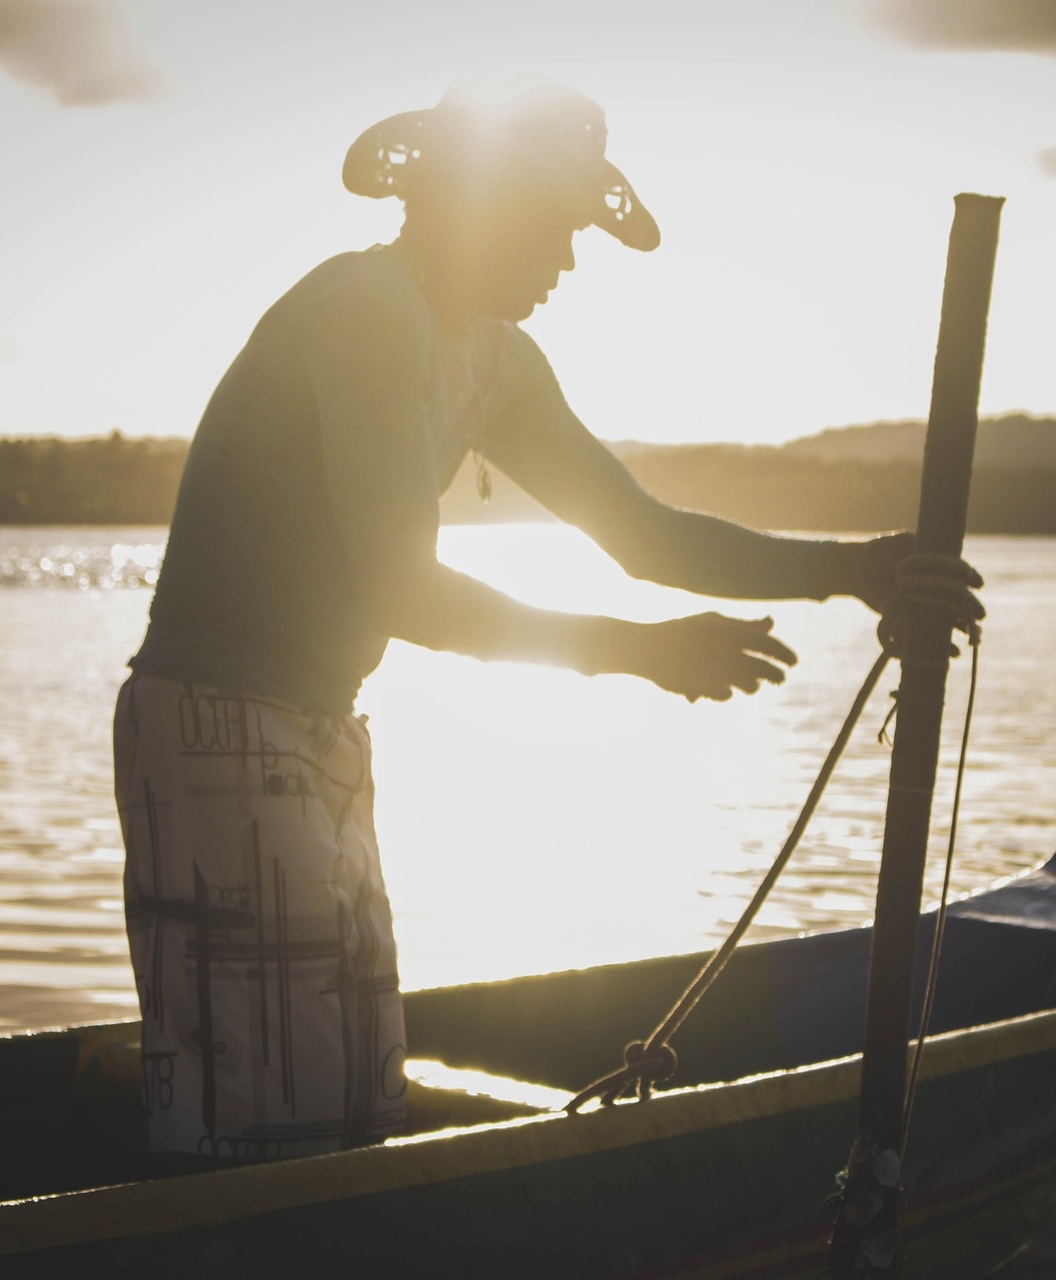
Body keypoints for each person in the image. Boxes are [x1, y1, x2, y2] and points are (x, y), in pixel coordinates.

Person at [113, 75, 981, 1165]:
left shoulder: (497, 360)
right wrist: (635, 653)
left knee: (352, 1088)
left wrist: (852, 568)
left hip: (324, 727)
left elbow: (643, 533)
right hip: (214, 723)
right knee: (258, 1117)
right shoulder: (366, 312)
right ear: (475, 204)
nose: (568, 263)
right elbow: (405, 590)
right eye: (553, 227)